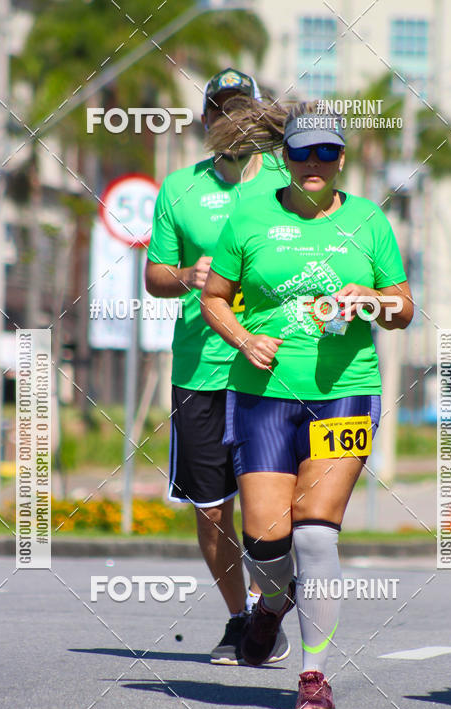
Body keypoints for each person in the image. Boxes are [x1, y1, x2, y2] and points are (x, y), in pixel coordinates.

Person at [201, 101, 413, 709]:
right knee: (267, 537)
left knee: (316, 532)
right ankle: (270, 604)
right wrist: (244, 337)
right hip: (263, 393)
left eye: (326, 153)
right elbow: (216, 297)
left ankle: (313, 675)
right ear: (284, 159)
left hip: (347, 390)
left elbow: (403, 310)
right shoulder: (248, 217)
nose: (314, 163)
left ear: (342, 159)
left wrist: (369, 299)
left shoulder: (369, 221)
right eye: (302, 153)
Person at [146, 69, 290, 665]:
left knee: (274, 506)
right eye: (221, 110)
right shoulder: (179, 188)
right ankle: (240, 618)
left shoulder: (290, 179)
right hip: (199, 369)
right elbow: (154, 277)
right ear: (206, 121)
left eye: (243, 109)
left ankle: (269, 609)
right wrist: (189, 276)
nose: (233, 119)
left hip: (274, 365)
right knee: (211, 511)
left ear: (259, 117)